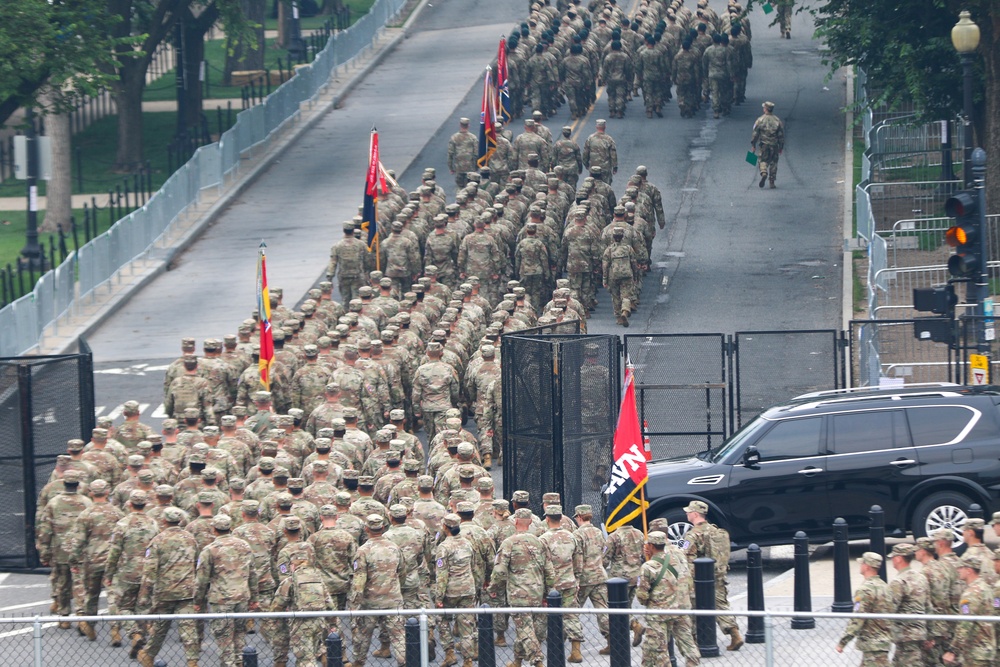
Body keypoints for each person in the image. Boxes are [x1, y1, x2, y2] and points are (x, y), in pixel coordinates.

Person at [136, 506, 201, 667]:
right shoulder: (190, 538)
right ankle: (192, 661)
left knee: (159, 628)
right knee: (189, 628)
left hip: (164, 591)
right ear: (180, 520)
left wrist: (144, 595)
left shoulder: (158, 541)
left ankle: (149, 655)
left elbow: (150, 571)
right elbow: (197, 563)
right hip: (187, 590)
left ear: (164, 521)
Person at [195, 513, 260, 667]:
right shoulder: (244, 546)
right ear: (231, 528)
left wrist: (198, 600)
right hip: (242, 596)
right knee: (239, 635)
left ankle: (229, 664)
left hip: (221, 599)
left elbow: (202, 579)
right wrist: (254, 597)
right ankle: (239, 662)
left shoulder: (210, 550)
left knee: (224, 638)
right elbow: (253, 573)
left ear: (214, 530)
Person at [488, 507, 550, 667]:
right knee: (526, 628)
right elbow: (549, 570)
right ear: (530, 522)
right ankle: (517, 660)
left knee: (524, 629)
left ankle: (538, 661)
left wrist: (494, 588)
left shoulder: (509, 543)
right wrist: (549, 592)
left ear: (515, 521)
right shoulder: (540, 542)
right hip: (537, 592)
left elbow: (500, 570)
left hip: (518, 594)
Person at [681, 500, 742, 650]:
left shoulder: (692, 535)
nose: (687, 514)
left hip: (699, 579)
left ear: (695, 514)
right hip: (718, 575)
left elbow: (687, 558)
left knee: (692, 608)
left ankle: (695, 640)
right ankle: (734, 633)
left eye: (689, 512)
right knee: (720, 605)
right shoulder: (716, 531)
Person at [348, 514, 407, 667]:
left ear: (366, 529)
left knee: (363, 635)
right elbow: (402, 571)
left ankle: (359, 662)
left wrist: (354, 604)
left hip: (370, 601)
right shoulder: (394, 547)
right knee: (399, 635)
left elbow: (359, 581)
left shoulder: (363, 551)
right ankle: (403, 662)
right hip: (392, 599)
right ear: (382, 528)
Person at [636, 531, 701, 667]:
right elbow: (688, 579)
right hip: (681, 609)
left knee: (659, 648)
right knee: (688, 643)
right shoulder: (677, 558)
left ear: (652, 546)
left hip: (659, 614)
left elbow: (642, 595)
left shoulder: (648, 566)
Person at [835, 552, 893, 663]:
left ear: (866, 566)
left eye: (862, 563)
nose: (860, 566)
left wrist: (843, 642)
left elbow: (857, 618)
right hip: (883, 641)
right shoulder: (886, 588)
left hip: (871, 643)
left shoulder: (864, 590)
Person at [942, 555, 996, 666]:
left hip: (975, 650)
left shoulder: (971, 593)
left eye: (961, 568)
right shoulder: (986, 588)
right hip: (986, 648)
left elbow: (965, 623)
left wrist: (953, 650)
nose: (958, 570)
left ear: (969, 570)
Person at [887, 543, 928, 667]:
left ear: (899, 558)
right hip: (919, 631)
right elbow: (928, 606)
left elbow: (890, 608)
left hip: (905, 633)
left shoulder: (898, 581)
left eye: (893, 557)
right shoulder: (921, 578)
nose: (892, 560)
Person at [602, 227, 639, 327]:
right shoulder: (628, 248)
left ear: (613, 237)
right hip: (627, 275)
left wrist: (604, 279)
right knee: (626, 295)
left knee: (615, 296)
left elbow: (605, 265)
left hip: (613, 276)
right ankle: (625, 311)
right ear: (623, 236)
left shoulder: (609, 250)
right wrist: (635, 276)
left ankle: (619, 317)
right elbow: (634, 263)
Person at [751, 101, 785, 189]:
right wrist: (781, 146)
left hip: (764, 145)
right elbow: (781, 135)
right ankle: (772, 182)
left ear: (765, 109)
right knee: (774, 163)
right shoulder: (777, 120)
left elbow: (755, 134)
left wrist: (753, 144)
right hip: (774, 145)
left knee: (762, 160)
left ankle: (763, 172)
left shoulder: (760, 120)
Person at [582, 119, 618, 184]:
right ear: (604, 127)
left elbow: (585, 152)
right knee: (606, 185)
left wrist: (586, 164)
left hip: (593, 166)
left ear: (596, 127)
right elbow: (613, 154)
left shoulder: (590, 138)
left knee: (593, 184)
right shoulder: (609, 139)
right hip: (605, 167)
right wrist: (615, 167)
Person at [448, 118, 479, 188]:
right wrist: (476, 167)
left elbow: (450, 153)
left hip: (459, 167)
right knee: (471, 188)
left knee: (460, 188)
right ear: (468, 125)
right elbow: (476, 154)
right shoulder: (473, 138)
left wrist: (451, 168)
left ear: (460, 125)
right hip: (470, 167)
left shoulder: (454, 138)